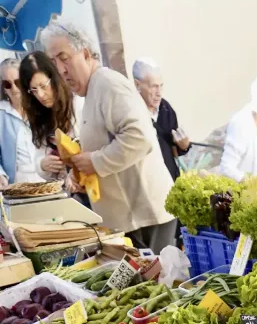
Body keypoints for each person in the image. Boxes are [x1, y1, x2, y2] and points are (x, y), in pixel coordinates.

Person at [42, 19, 175, 253]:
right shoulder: (93, 89)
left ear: (85, 53)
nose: (61, 70)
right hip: (130, 218)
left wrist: (95, 162)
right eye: (54, 62)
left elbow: (139, 137)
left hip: (145, 217)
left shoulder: (108, 83)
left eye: (64, 58)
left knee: (157, 285)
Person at [19, 52, 76, 183]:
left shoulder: (77, 104)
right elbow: (40, 158)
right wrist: (43, 165)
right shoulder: (39, 116)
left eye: (43, 86)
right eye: (33, 90)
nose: (40, 95)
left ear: (55, 78)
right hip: (64, 191)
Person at [132, 58, 190, 183]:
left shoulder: (166, 109)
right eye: (153, 86)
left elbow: (172, 148)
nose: (159, 93)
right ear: (137, 85)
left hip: (171, 182)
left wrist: (183, 146)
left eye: (161, 86)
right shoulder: (131, 114)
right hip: (148, 185)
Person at [0, 58, 46, 186]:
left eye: (17, 82)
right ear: (3, 88)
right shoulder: (1, 113)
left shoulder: (40, 107)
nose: (13, 88)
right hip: (18, 186)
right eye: (7, 84)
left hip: (48, 181)